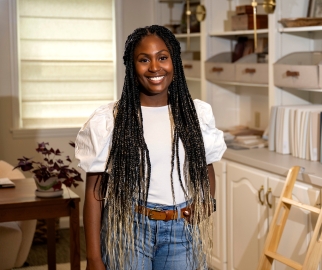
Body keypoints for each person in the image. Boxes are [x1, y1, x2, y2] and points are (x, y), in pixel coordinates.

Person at [75, 25, 226, 270]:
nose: (155, 67)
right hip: (128, 229)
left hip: (181, 231)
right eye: (144, 59)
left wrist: (206, 201)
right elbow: (94, 193)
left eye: (162, 58)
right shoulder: (111, 119)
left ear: (174, 62)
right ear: (131, 67)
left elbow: (206, 166)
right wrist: (93, 258)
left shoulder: (195, 114)